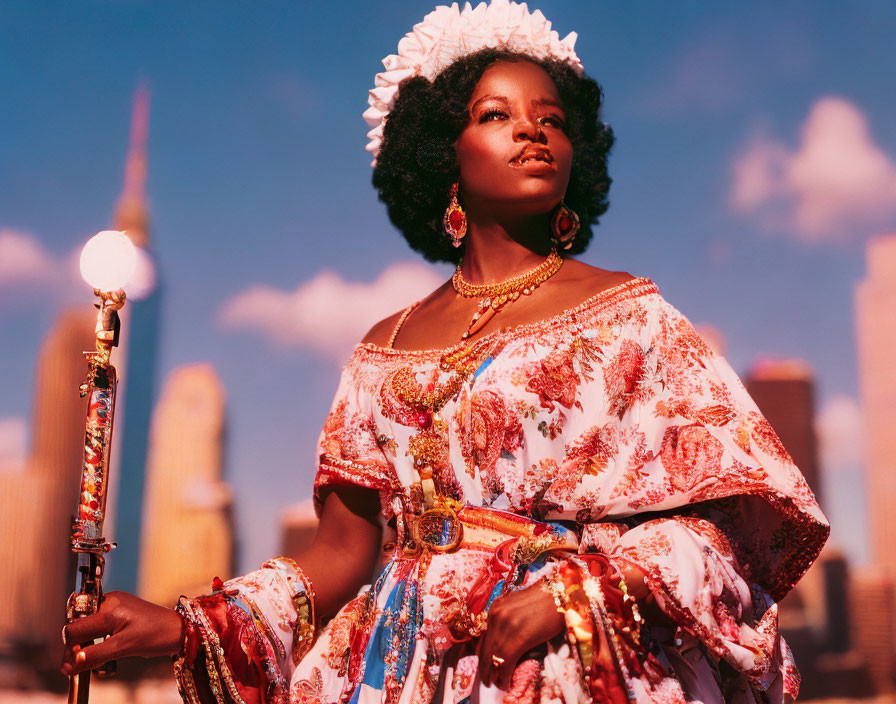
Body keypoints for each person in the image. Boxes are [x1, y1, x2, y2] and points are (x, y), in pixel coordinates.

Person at [61, 2, 829, 702]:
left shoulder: (631, 314)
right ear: (441, 152)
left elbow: (730, 516)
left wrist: (579, 590)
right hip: (393, 667)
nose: (533, 130)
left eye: (553, 119)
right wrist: (185, 625)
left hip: (565, 660)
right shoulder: (380, 348)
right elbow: (335, 557)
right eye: (497, 114)